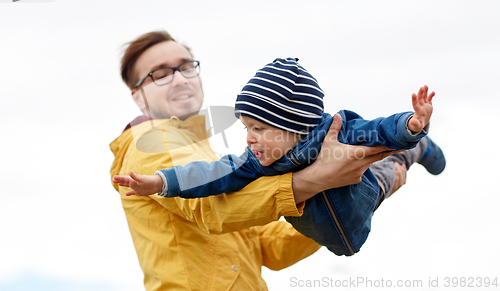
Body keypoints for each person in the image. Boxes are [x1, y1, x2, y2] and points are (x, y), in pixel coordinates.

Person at [110, 31, 406, 290]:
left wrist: (345, 196)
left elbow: (270, 247)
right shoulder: (147, 139)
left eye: (187, 67)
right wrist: (317, 178)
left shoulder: (205, 153)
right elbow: (210, 209)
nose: (178, 78)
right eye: (160, 74)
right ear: (138, 96)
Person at [114, 57, 446, 256]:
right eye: (245, 128)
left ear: (295, 124)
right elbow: (209, 174)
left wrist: (411, 124)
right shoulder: (254, 162)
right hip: (336, 235)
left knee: (391, 160)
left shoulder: (338, 130)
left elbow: (379, 129)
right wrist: (160, 181)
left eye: (258, 128)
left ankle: (419, 147)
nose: (249, 139)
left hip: (366, 194)